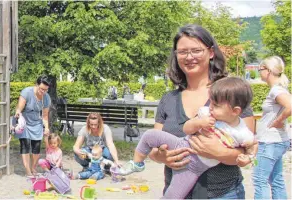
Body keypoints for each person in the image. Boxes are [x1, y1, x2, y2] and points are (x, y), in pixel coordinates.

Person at [127, 24, 255, 199]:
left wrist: (219, 153)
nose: (189, 57)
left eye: (196, 50)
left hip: (223, 194)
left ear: (210, 53)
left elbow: (248, 151)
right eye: (182, 52)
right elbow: (154, 149)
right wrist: (163, 157)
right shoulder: (168, 99)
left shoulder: (231, 94)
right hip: (177, 191)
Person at [119, 77, 257, 199]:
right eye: (211, 103)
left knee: (173, 196)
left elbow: (252, 147)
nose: (211, 107)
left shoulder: (241, 132)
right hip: (181, 145)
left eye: (216, 105)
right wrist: (198, 123)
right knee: (150, 135)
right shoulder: (207, 114)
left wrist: (246, 158)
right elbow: (186, 128)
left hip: (195, 167)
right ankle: (137, 163)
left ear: (235, 111)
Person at [253, 56, 291, 199]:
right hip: (276, 141)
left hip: (270, 142)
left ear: (268, 71)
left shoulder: (276, 90)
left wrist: (279, 120)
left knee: (259, 179)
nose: (259, 72)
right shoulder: (278, 89)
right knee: (276, 180)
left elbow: (290, 105)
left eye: (260, 69)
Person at [14, 75, 51, 177]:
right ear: (37, 84)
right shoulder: (27, 92)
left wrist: (46, 127)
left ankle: (33, 167)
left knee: (36, 147)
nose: (43, 92)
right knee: (25, 145)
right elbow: (19, 108)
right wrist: (17, 112)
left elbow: (44, 115)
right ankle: (28, 171)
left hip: (36, 122)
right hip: (24, 122)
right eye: (41, 89)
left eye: (46, 90)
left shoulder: (46, 98)